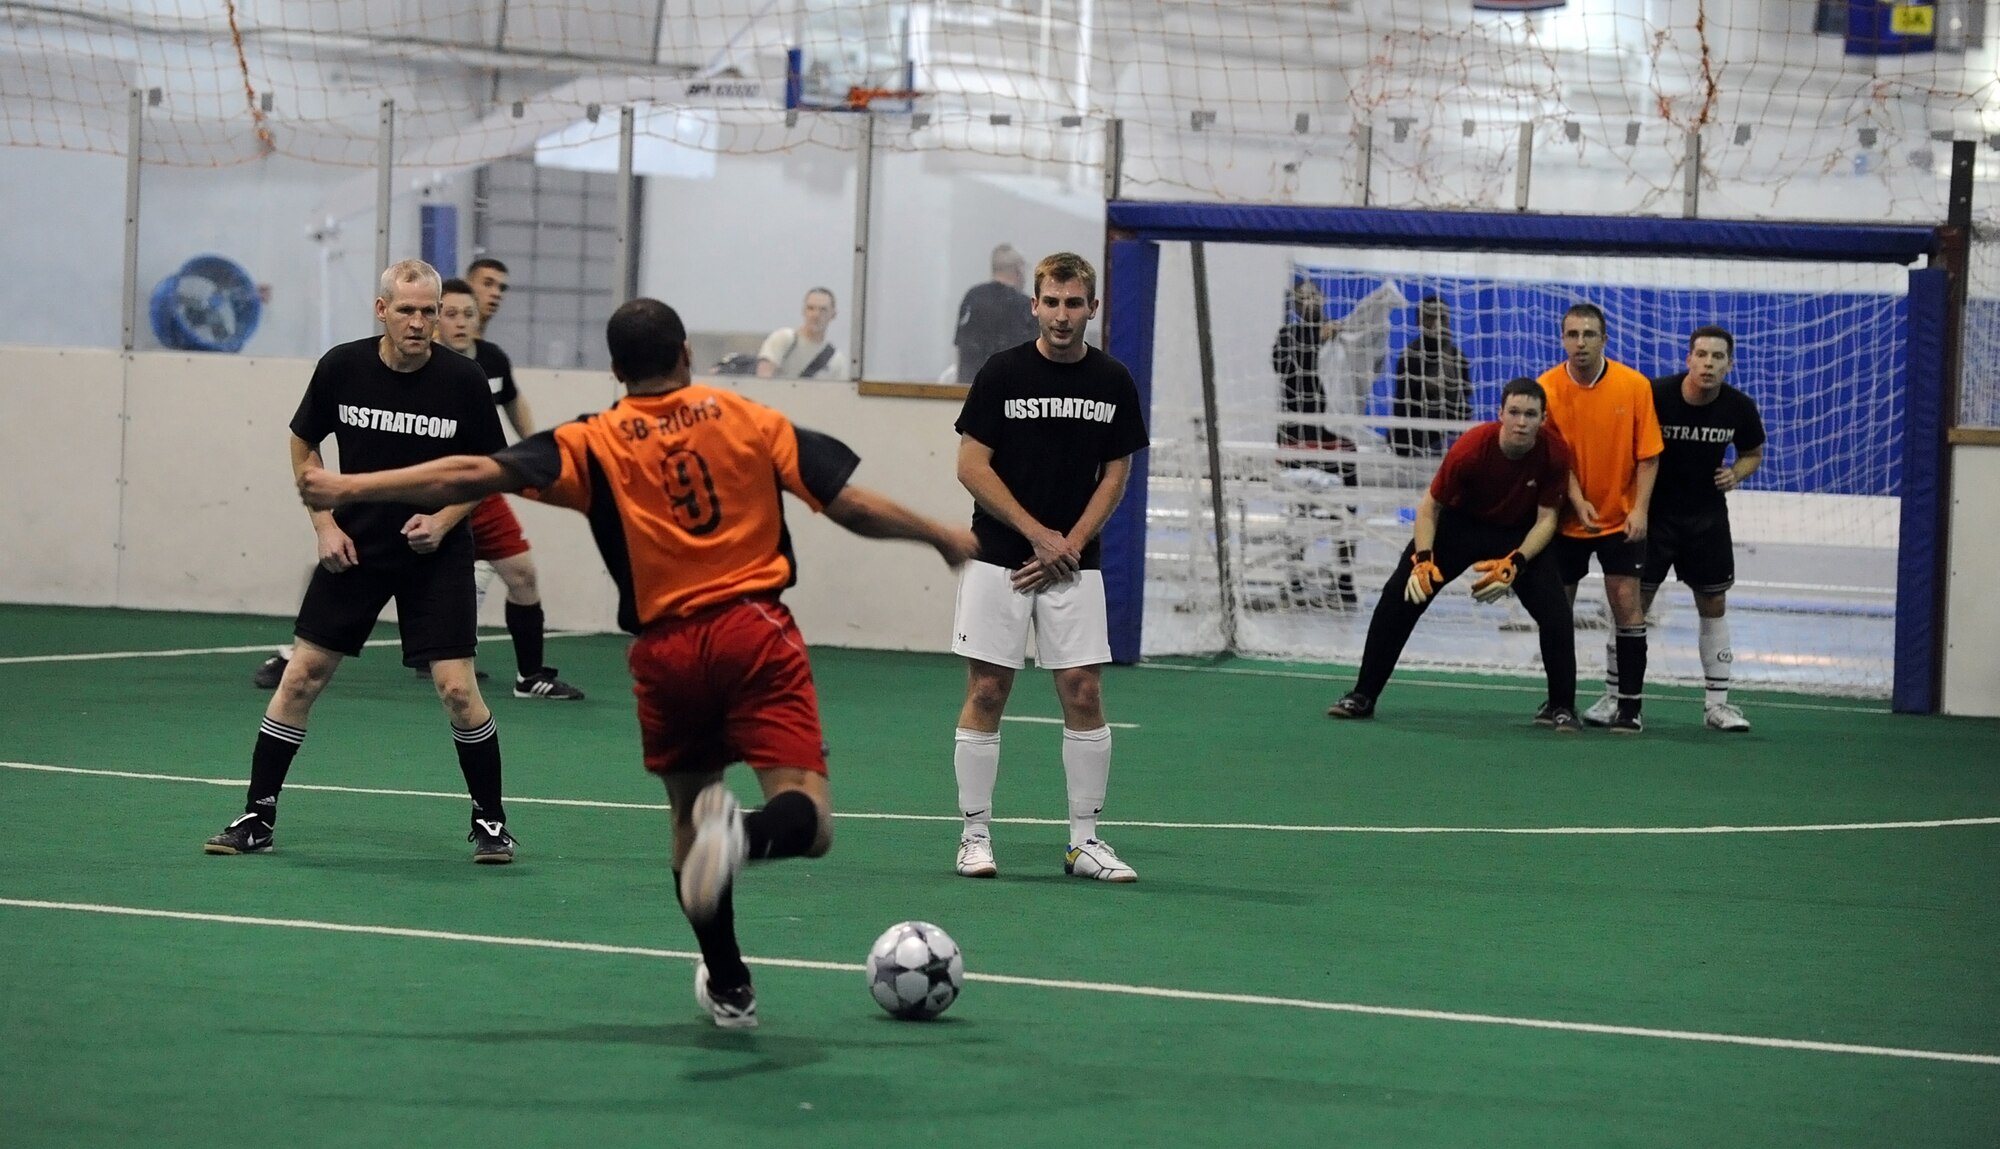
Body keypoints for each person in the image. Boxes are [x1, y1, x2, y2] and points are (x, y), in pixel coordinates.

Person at [300, 296, 977, 1028]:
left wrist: (347, 487)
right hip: (753, 631)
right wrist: (938, 532)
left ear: (617, 370)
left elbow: (469, 471)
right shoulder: (748, 418)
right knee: (807, 819)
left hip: (664, 653)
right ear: (686, 351)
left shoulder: (594, 441)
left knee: (691, 818)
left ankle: (729, 981)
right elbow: (846, 504)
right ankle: (744, 839)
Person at [204, 259, 517, 862]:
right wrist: (323, 524)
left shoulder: (463, 380)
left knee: (457, 690)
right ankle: (256, 818)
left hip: (436, 552)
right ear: (382, 311)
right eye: (407, 310)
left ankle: (492, 822)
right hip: (355, 549)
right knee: (300, 678)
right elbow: (303, 440)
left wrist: (445, 519)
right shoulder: (342, 367)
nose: (420, 322)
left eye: (429, 311)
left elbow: (491, 470)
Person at [949, 251, 1150, 884]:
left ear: (1091, 308)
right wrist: (1037, 535)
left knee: (1084, 692)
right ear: (1034, 305)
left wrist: (1069, 544)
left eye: (1074, 303)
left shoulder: (1113, 381)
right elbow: (971, 466)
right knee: (987, 691)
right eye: (1052, 302)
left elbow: (1117, 473)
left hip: (1073, 565)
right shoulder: (1001, 374)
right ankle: (974, 835)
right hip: (1000, 560)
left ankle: (1085, 842)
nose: (1062, 316)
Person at [1327, 378, 1578, 727]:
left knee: (1556, 614)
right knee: (1398, 599)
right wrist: (1423, 560)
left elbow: (1547, 519)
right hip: (1460, 525)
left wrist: (1517, 562)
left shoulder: (1554, 451)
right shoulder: (1472, 449)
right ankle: (1363, 695)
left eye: (1530, 414)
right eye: (1515, 412)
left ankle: (1561, 706)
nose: (1522, 421)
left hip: (1518, 533)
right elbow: (1429, 509)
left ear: (1543, 418)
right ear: (1500, 414)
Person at [1593, 324, 1765, 732]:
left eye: (1717, 357)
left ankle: (1717, 705)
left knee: (1714, 605)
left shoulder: (1739, 407)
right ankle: (1616, 697)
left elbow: (1753, 452)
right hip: (1652, 518)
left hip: (1705, 521)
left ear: (1729, 365)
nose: (1708, 363)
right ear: (1688, 359)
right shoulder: (1655, 395)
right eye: (1701, 355)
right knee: (1632, 607)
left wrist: (1736, 473)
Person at [436, 276, 584, 700]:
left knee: (522, 575)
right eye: (451, 314)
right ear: (434, 321)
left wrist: (534, 451)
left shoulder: (492, 361)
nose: (461, 323)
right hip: (427, 494)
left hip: (481, 491)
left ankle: (530, 676)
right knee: (361, 571)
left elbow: (513, 400)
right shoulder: (422, 367)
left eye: (469, 314)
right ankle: (297, 657)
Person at [1537, 302, 1664, 734]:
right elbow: (1555, 459)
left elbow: (1649, 456)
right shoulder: (1547, 388)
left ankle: (1629, 706)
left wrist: (1641, 509)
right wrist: (1576, 499)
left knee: (1627, 605)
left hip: (1621, 519)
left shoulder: (1634, 386)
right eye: (1572, 334)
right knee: (1558, 609)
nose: (1581, 343)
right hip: (1566, 519)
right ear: (1562, 339)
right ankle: (1560, 703)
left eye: (1589, 334)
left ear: (1605, 339)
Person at [1270, 278, 1358, 607]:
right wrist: (1313, 339)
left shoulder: (1340, 334)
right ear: (1294, 304)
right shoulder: (1288, 336)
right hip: (1297, 435)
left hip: (1335, 436)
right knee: (1300, 506)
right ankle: (1293, 575)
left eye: (1314, 295)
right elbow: (1282, 366)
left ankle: (1344, 577)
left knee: (1349, 503)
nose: (1309, 301)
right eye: (1302, 297)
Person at [1389, 294, 1472, 457]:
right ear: (1419, 321)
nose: (1437, 323)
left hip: (1448, 427)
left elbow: (1465, 398)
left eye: (1441, 317)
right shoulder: (1410, 356)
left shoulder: (1457, 356)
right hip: (1414, 429)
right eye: (1430, 317)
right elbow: (1404, 403)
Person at [953, 243, 1039, 384]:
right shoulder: (1026, 307)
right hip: (1012, 393)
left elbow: (960, 348)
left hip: (970, 392)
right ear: (1019, 269)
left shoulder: (972, 298)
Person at [757, 287, 849, 379]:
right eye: (810, 308)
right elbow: (763, 381)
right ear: (803, 311)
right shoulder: (784, 338)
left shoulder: (836, 360)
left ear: (833, 315)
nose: (816, 315)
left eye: (823, 310)